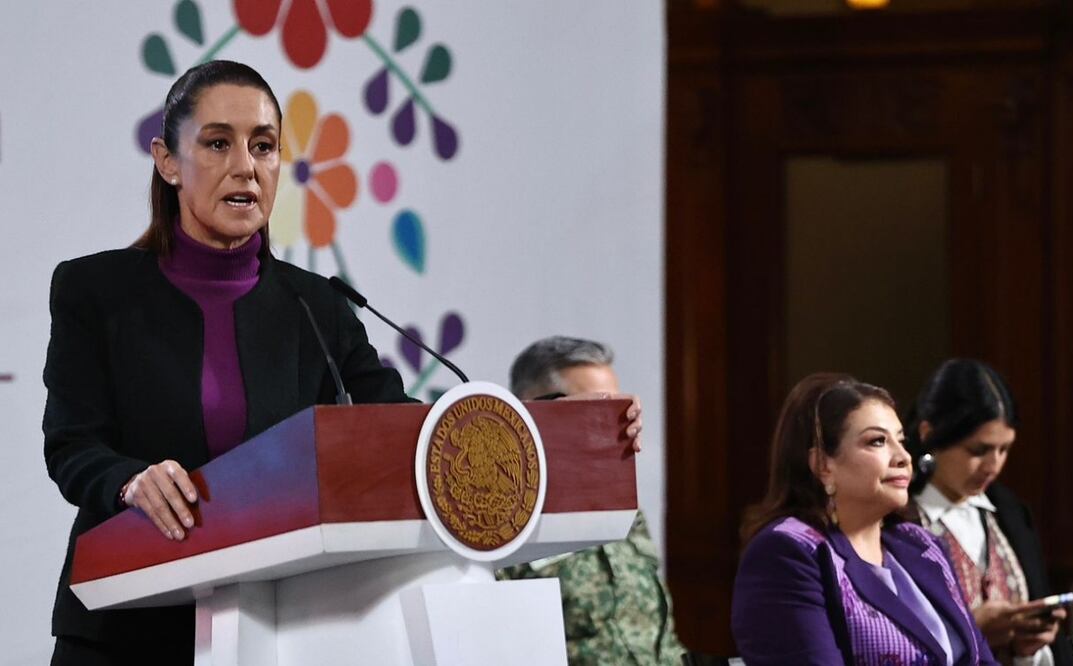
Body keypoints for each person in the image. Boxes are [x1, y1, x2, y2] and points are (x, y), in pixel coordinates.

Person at [40, 62, 645, 665]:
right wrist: (131, 480)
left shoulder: (316, 305)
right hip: (125, 628)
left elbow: (409, 433)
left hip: (270, 632)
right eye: (218, 143)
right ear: (168, 161)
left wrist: (562, 429)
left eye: (264, 146)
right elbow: (72, 446)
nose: (245, 166)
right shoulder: (96, 291)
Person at [732, 373, 996, 665]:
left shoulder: (922, 544)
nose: (903, 457)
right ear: (823, 465)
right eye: (877, 441)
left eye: (901, 440)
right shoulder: (788, 552)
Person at [495, 336, 684, 666]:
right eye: (596, 408)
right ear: (533, 407)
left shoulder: (625, 507)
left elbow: (659, 630)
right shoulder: (500, 517)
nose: (617, 423)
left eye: (617, 407)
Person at [906, 359, 1073, 666]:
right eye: (978, 450)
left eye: (1004, 449)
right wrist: (972, 631)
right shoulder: (898, 519)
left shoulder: (1010, 513)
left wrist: (1031, 646)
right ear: (929, 434)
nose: (993, 466)